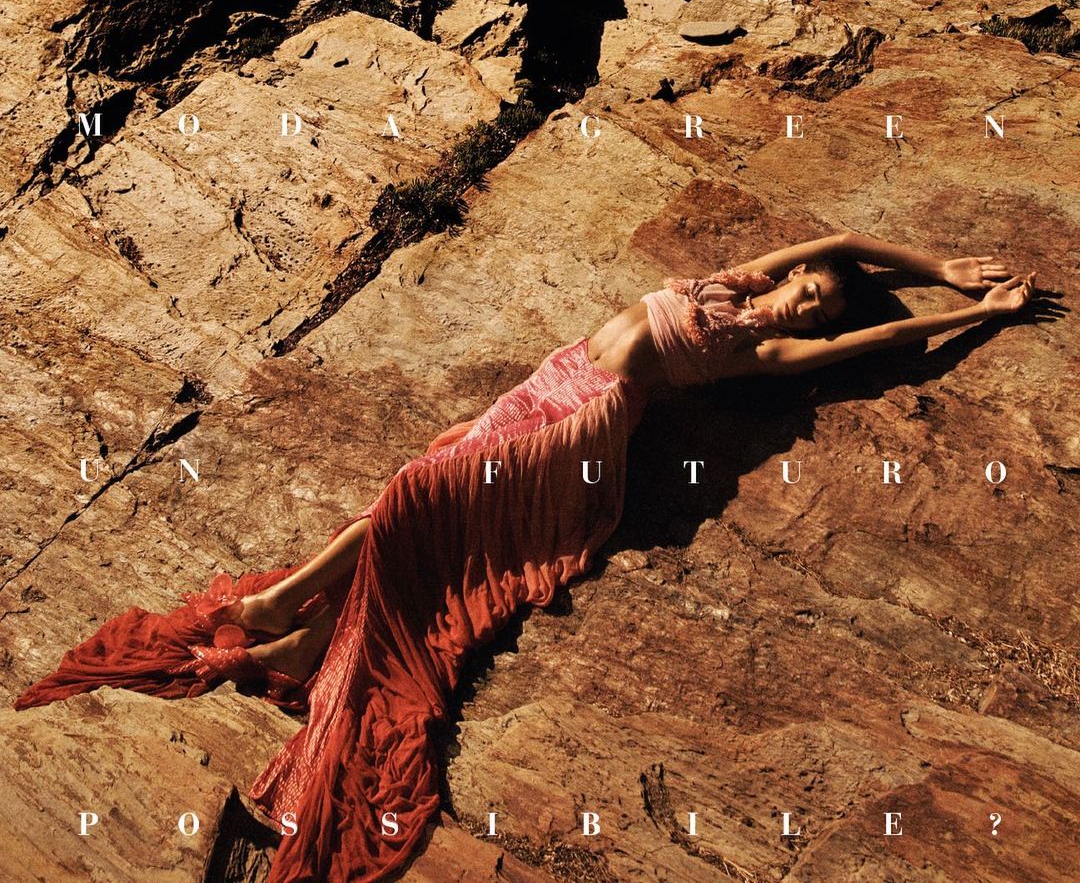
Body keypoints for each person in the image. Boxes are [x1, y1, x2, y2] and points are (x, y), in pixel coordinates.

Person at [14, 230, 1036, 882]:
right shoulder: (737, 281)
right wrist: (941, 265)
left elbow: (874, 347)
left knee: (415, 498)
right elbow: (850, 241)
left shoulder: (757, 350)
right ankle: (301, 637)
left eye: (820, 306)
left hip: (579, 430)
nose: (809, 300)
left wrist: (969, 314)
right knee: (418, 493)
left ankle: (284, 612)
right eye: (811, 287)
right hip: (548, 380)